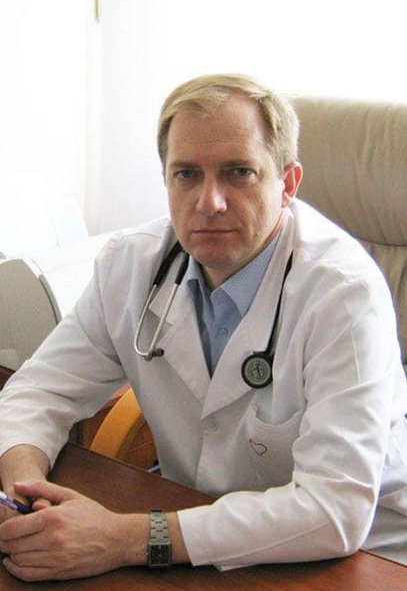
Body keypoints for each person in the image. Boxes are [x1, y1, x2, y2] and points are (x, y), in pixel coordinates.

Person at [0, 74, 406, 581]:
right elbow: (39, 390)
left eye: (239, 172)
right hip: (196, 533)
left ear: (288, 183)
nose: (209, 201)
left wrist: (126, 537)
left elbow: (334, 510)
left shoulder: (343, 294)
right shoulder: (131, 264)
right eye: (187, 174)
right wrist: (23, 497)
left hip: (360, 556)